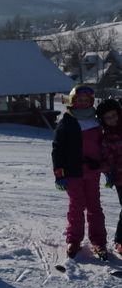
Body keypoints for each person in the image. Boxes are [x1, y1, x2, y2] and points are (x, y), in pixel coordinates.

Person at [52, 85, 108, 260]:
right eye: (79, 100)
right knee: (76, 206)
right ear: (73, 101)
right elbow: (57, 149)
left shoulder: (97, 121)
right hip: (73, 172)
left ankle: (98, 241)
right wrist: (59, 174)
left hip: (92, 171)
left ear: (91, 102)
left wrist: (107, 169)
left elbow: (104, 147)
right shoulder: (67, 121)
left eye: (86, 100)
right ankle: (74, 240)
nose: (83, 103)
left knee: (94, 206)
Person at [95, 98, 122, 255]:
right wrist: (109, 172)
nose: (112, 119)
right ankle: (120, 240)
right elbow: (103, 160)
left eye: (114, 115)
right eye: (108, 117)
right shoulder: (106, 137)